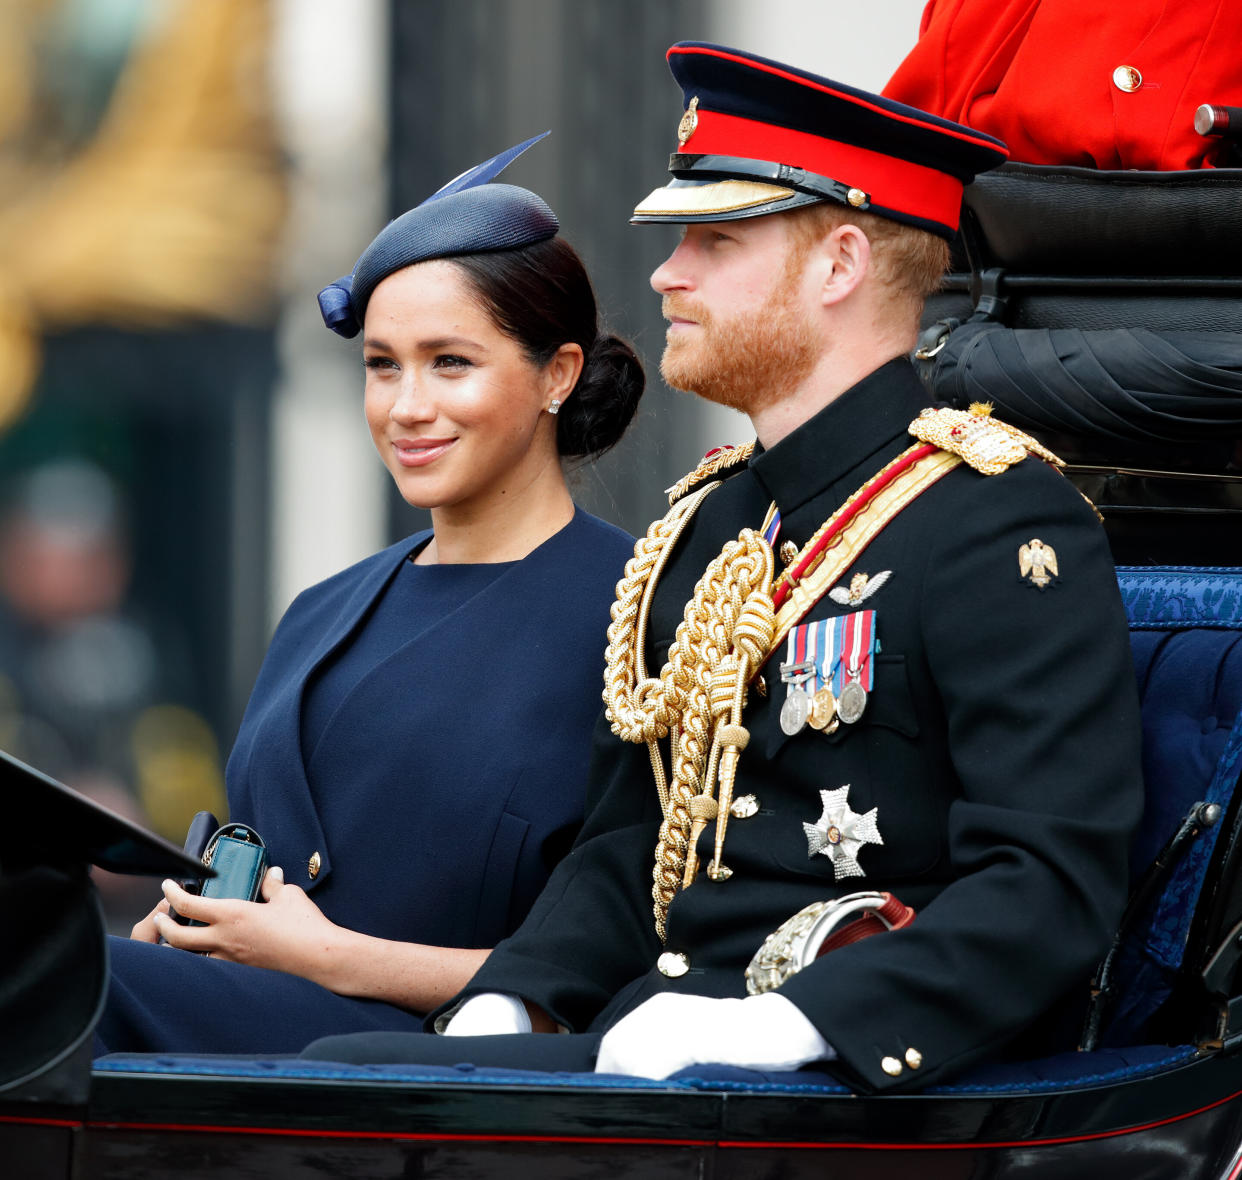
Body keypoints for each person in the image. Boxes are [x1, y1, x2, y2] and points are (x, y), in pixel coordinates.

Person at [302, 43, 1144, 1094]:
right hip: (660, 1048)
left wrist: (800, 1021)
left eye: (715, 239)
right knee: (328, 1081)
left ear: (838, 264)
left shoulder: (992, 520)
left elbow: (1045, 882)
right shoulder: (713, 520)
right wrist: (513, 994)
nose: (666, 273)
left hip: (859, 1087)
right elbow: (630, 842)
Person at [94, 135, 644, 1054]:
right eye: (382, 365)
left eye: (450, 363)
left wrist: (324, 955)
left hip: (426, 1069)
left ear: (558, 373)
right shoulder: (324, 608)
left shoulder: (635, 611)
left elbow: (623, 970)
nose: (406, 406)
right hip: (244, 1040)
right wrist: (193, 929)